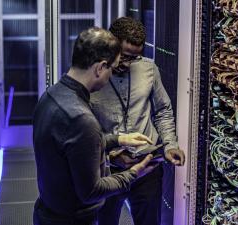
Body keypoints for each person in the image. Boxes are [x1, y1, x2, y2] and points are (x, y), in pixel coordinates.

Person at [33, 27, 157, 225]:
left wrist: (118, 140)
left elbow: (69, 149)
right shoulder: (82, 118)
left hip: (48, 213)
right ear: (100, 68)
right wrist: (134, 173)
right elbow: (92, 191)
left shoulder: (51, 96)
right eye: (112, 68)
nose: (112, 76)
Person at [90, 17, 186, 225]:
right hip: (107, 171)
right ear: (110, 44)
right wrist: (111, 154)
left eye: (135, 57)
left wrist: (170, 145)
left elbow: (162, 111)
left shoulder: (149, 70)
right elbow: (84, 128)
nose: (127, 63)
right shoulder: (92, 75)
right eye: (124, 56)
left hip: (147, 166)